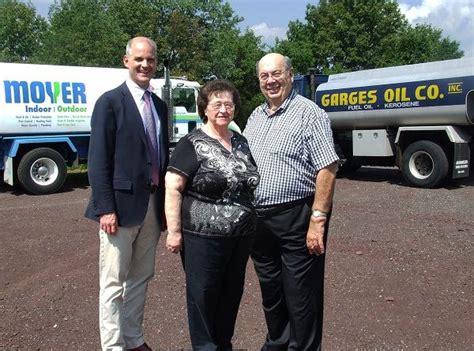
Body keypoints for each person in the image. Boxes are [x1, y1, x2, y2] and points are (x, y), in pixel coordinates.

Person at [243, 53, 339, 350]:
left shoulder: (308, 113)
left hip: (297, 216)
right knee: (271, 292)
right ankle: (277, 343)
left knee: (301, 294)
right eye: (264, 76)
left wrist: (318, 220)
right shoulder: (255, 116)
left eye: (276, 74)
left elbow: (328, 167)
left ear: (290, 74)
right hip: (259, 222)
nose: (270, 81)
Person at [85, 36, 169, 351]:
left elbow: (161, 156)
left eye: (150, 60)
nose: (145, 65)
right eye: (139, 59)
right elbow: (97, 161)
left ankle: (133, 338)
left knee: (140, 278)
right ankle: (113, 345)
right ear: (126, 61)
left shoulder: (159, 105)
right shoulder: (110, 102)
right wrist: (105, 208)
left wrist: (164, 207)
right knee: (112, 283)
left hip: (151, 204)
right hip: (118, 209)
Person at [165, 80, 260, 350]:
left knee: (231, 294)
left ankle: (223, 344)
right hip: (203, 238)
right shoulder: (191, 143)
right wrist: (174, 232)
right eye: (216, 104)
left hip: (241, 238)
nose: (223, 109)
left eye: (228, 104)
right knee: (203, 296)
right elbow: (173, 187)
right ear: (204, 109)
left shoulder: (240, 142)